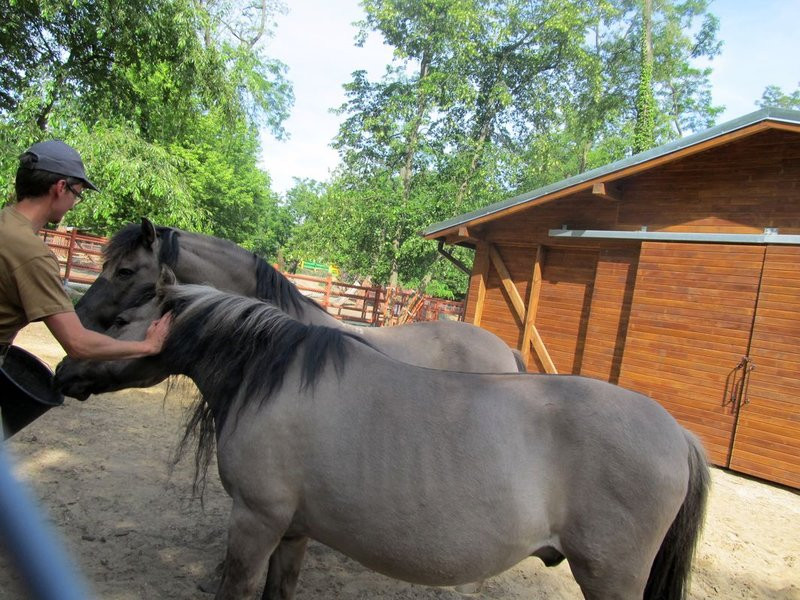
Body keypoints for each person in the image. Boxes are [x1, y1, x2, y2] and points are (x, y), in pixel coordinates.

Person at [0, 140, 171, 368]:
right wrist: (148, 346)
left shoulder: (5, 222)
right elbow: (77, 343)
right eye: (77, 194)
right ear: (61, 187)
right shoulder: (32, 254)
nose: (73, 204)